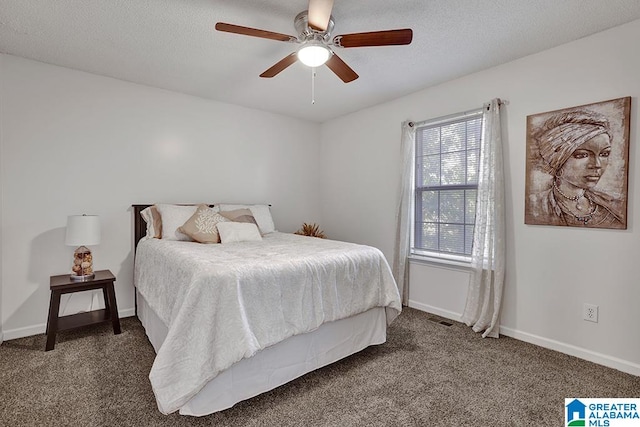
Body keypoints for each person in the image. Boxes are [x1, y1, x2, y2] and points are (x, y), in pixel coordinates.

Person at [527, 109, 625, 228]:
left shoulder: (614, 206)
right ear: (557, 159)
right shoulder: (533, 205)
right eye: (582, 155)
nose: (597, 164)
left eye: (604, 154)